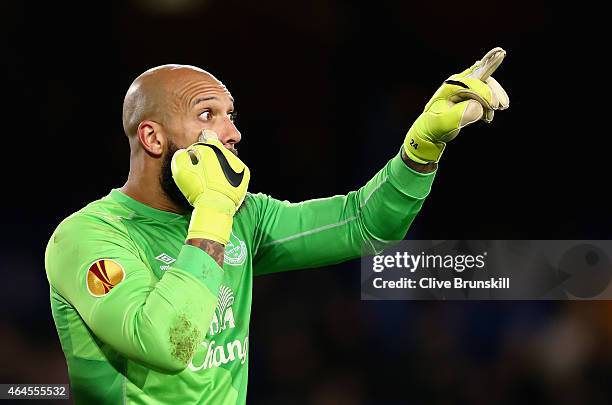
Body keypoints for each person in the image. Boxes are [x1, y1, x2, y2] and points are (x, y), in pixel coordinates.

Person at [45, 47, 509, 404]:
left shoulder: (241, 215)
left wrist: (422, 147)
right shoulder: (88, 236)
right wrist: (212, 208)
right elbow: (167, 343)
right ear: (152, 137)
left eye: (231, 115)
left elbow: (364, 224)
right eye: (208, 115)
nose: (232, 132)